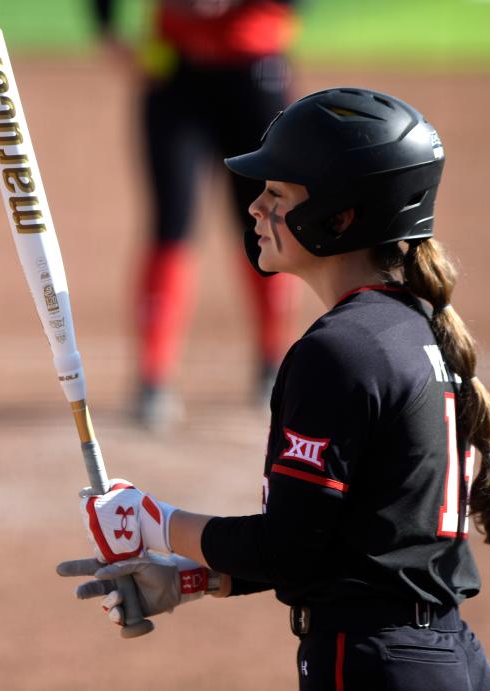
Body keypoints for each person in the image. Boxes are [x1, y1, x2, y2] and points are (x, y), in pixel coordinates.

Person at [59, 87, 490, 689]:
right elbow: (349, 537)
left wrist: (153, 519)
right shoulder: (411, 329)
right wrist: (196, 576)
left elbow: (287, 546)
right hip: (445, 658)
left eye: (277, 195)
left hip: (374, 666)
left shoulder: (338, 352)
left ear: (339, 218)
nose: (254, 208)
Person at [89, 0, 304, 429]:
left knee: (263, 221)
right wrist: (108, 29)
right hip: (176, 76)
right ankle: (153, 379)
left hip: (255, 72)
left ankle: (272, 364)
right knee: (171, 224)